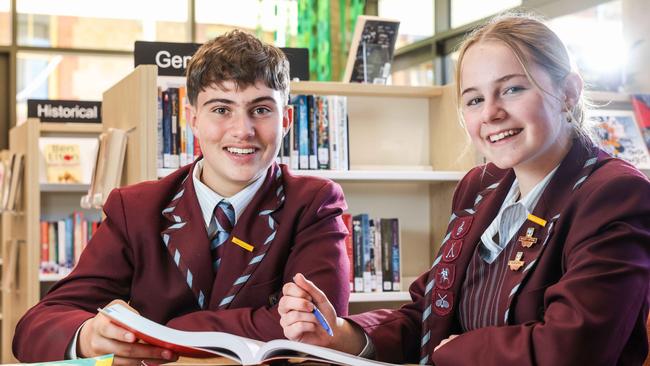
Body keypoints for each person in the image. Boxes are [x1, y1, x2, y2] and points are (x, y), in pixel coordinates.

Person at [278, 12, 650, 366]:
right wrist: (341, 333)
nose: (490, 113)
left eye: (512, 89)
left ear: (568, 91)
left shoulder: (615, 194)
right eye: (474, 99)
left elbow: (573, 350)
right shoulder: (481, 186)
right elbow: (430, 315)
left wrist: (458, 352)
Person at [13, 30, 351, 365]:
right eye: (221, 110)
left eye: (261, 110)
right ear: (192, 119)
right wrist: (88, 336)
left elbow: (317, 325)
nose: (242, 130)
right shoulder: (134, 208)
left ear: (287, 119)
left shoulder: (315, 203)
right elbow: (36, 326)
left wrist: (165, 332)